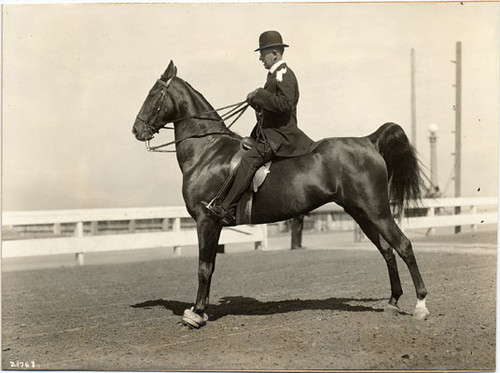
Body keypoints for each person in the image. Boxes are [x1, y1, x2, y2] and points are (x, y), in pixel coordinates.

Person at [203, 30, 315, 223]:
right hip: (269, 134)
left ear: (274, 53)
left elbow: (285, 104)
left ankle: (225, 207)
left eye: (263, 54)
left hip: (280, 136)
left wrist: (260, 94)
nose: (261, 58)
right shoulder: (274, 76)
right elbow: (271, 108)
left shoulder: (283, 74)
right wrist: (257, 101)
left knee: (248, 160)